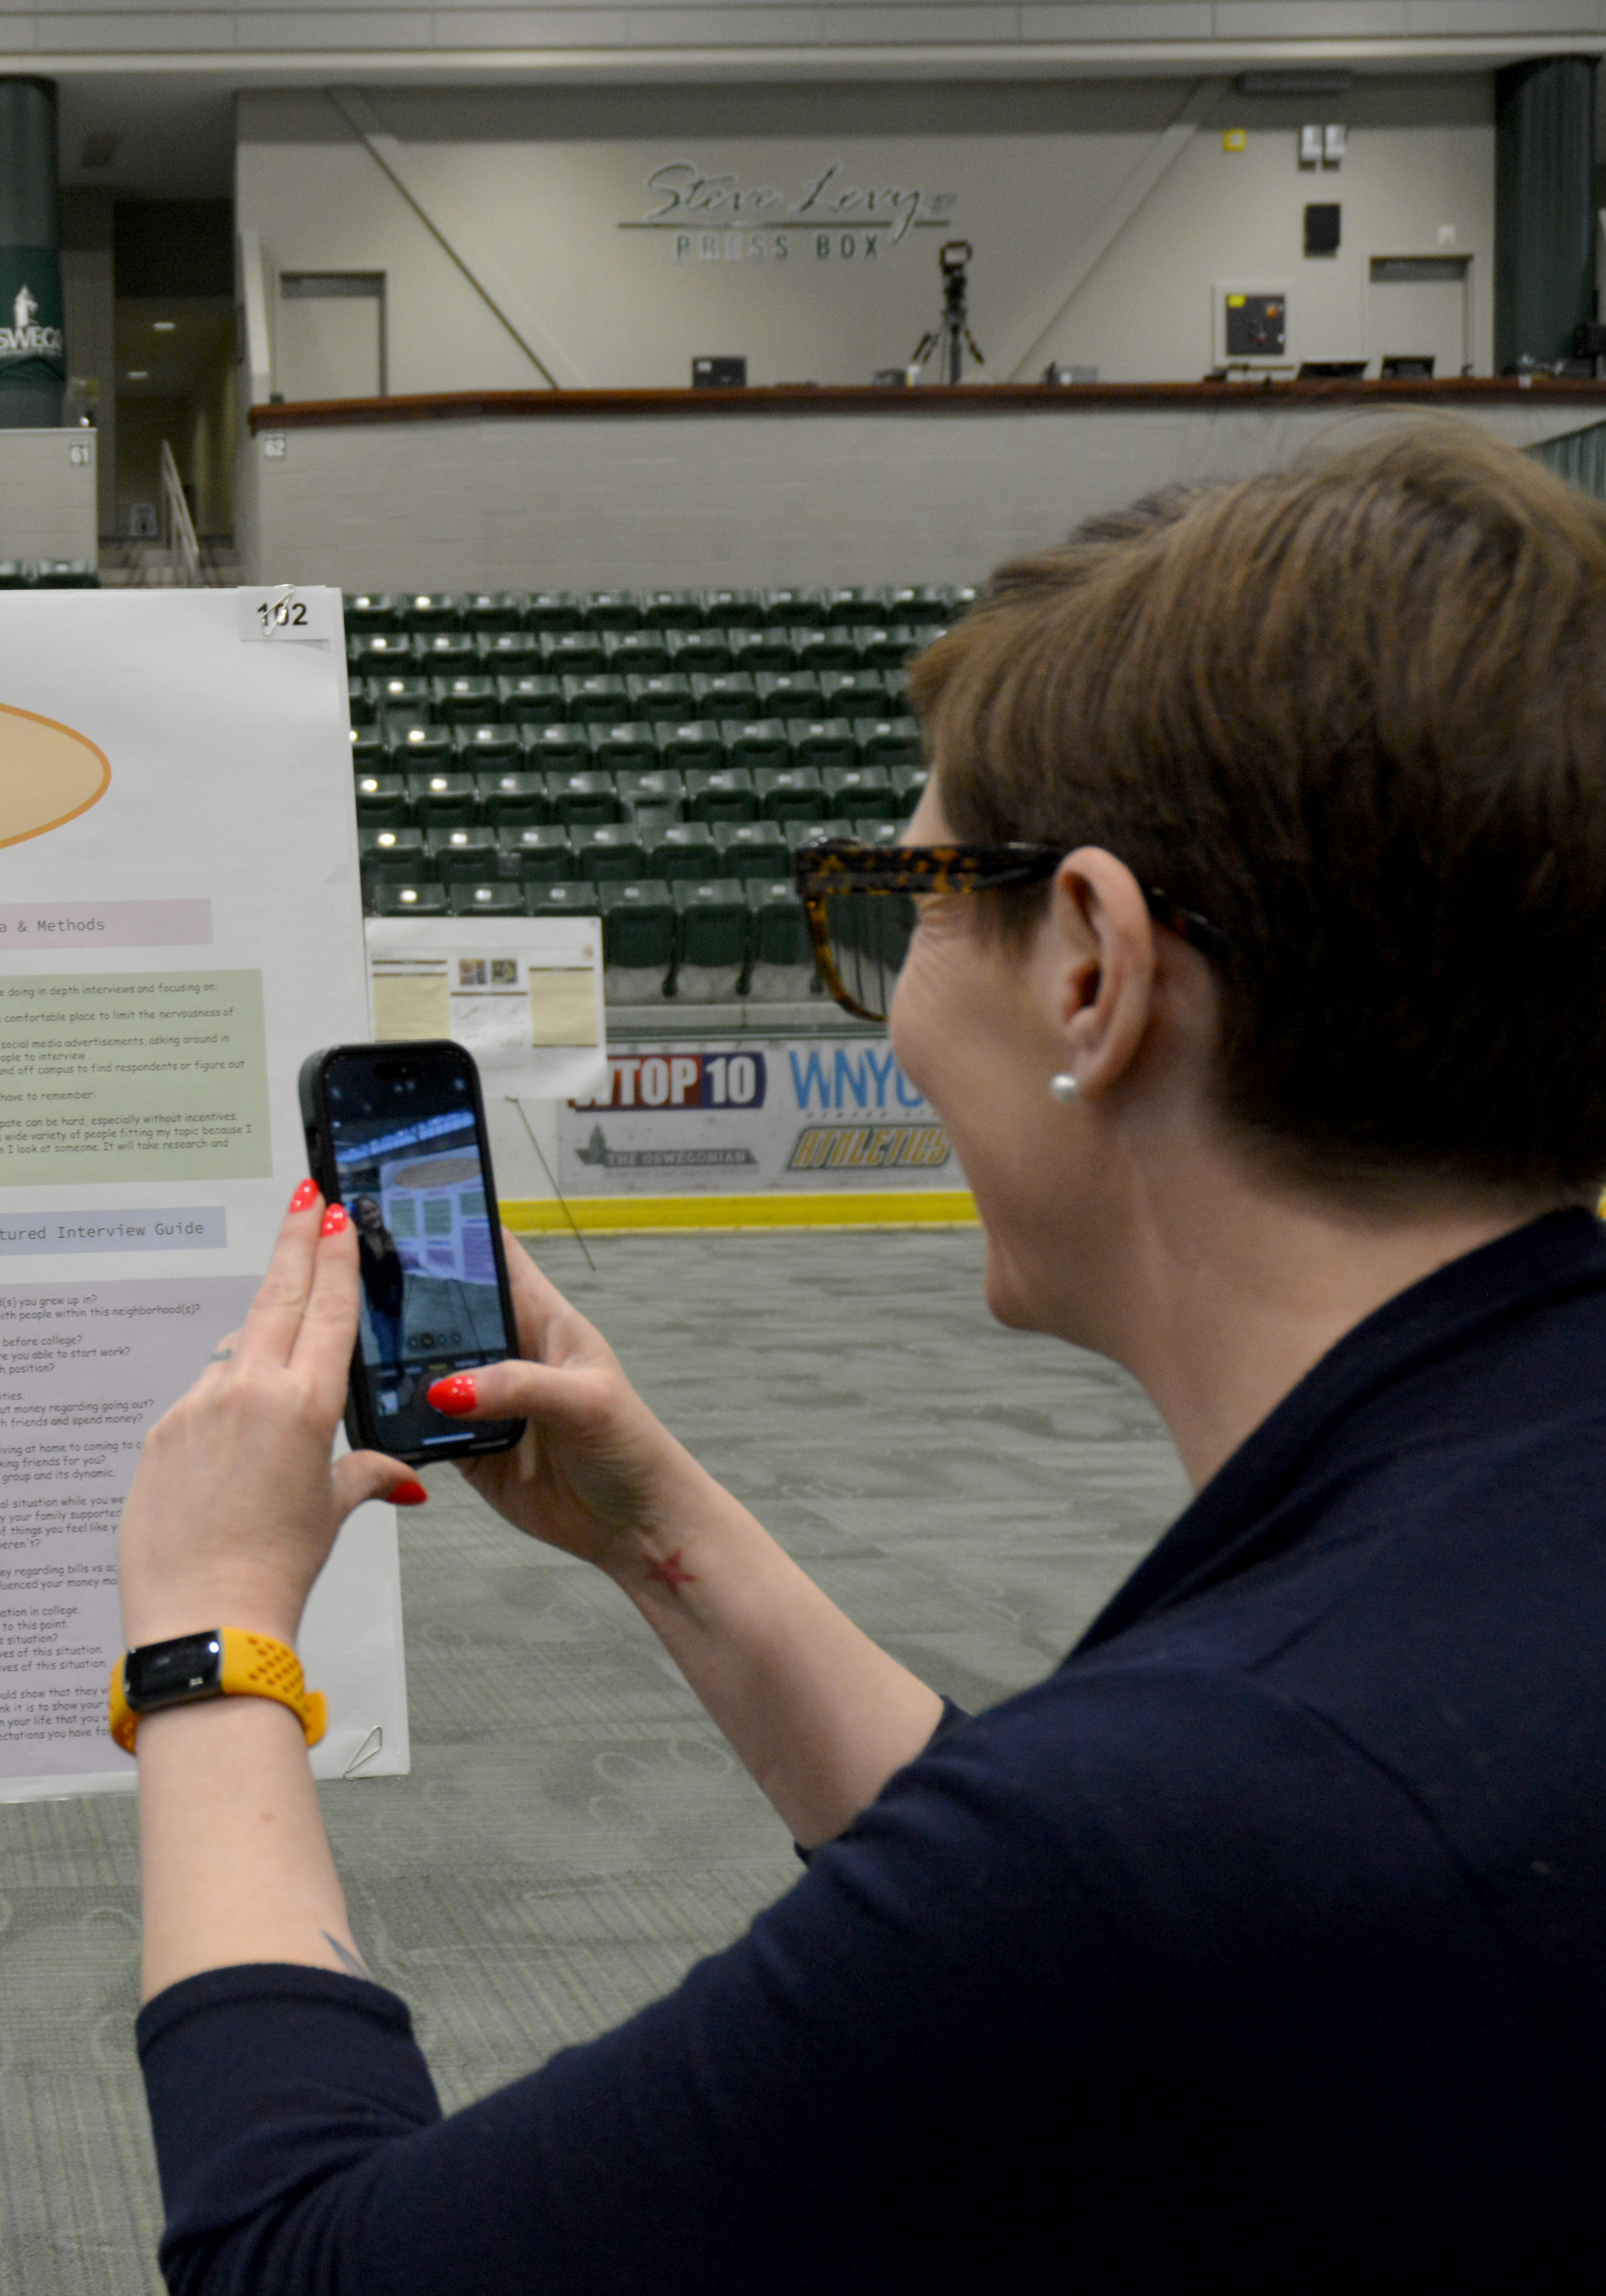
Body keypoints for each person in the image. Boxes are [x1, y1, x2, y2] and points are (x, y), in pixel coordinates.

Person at [114, 424, 1606, 2290]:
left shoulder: (1198, 1814)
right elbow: (1090, 1937)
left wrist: (209, 1639)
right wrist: (673, 1537)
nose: (891, 1005)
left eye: (899, 910)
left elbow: (300, 2264)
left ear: (1092, 966)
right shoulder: (1417, 1624)